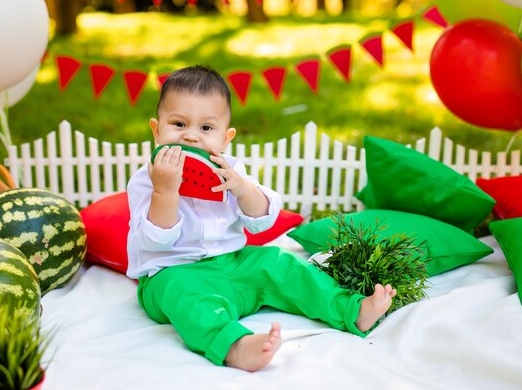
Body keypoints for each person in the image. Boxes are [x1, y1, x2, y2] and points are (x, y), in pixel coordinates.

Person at [126, 65, 396, 372]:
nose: (190, 137)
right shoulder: (146, 181)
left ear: (225, 139)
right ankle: (233, 345)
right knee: (186, 297)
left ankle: (351, 309)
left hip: (233, 264)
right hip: (171, 273)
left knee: (279, 262)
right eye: (178, 124)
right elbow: (156, 238)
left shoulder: (230, 170)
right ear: (156, 130)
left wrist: (243, 188)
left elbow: (261, 221)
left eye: (206, 128)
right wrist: (165, 191)